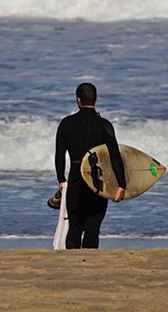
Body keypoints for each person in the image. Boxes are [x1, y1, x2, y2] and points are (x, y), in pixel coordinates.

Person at [53, 82, 126, 249]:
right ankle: (90, 264)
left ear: (78, 100)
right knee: (93, 227)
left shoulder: (66, 123)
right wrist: (121, 184)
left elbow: (59, 156)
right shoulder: (105, 125)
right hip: (97, 181)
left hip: (76, 180)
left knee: (75, 226)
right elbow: (115, 156)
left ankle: (72, 266)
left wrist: (62, 180)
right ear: (96, 99)